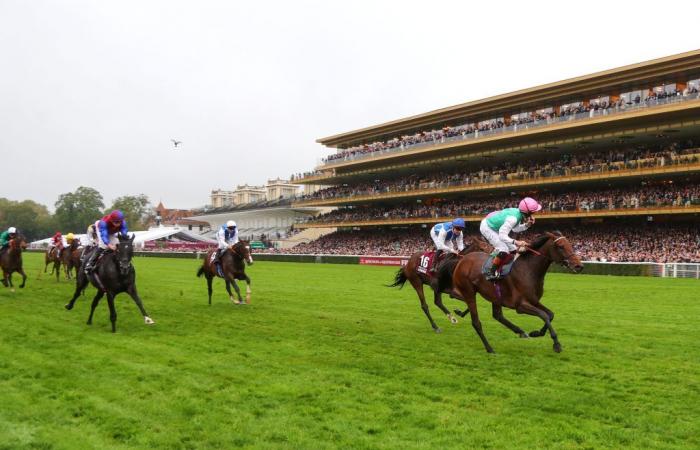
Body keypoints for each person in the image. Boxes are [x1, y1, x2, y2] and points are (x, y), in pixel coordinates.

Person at [480, 197, 541, 279]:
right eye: (532, 213)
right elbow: (502, 236)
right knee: (503, 249)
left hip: (495, 226)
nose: (532, 216)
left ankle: (507, 269)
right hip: (487, 227)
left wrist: (527, 225)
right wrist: (516, 242)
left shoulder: (519, 214)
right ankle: (490, 272)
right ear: (527, 213)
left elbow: (515, 229)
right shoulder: (513, 218)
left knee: (513, 249)